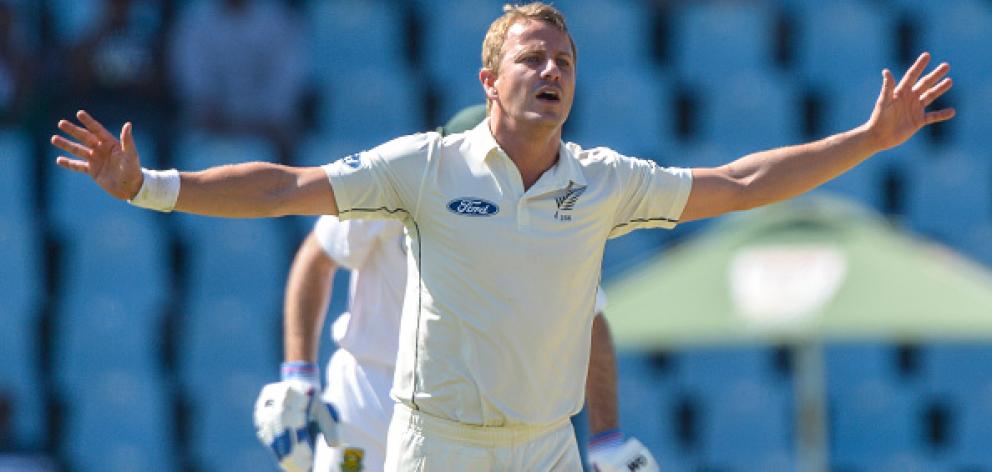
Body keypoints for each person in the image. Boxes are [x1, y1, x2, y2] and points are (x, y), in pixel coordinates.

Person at [50, 2, 954, 470]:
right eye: (532, 58)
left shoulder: (603, 182)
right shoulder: (425, 166)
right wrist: (153, 186)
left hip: (543, 445)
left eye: (564, 61)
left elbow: (743, 182)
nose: (552, 71)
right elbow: (288, 189)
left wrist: (867, 140)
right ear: (491, 77)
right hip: (434, 442)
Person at [253, 106, 656, 472]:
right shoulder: (407, 179)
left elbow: (588, 316)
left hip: (461, 420)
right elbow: (317, 256)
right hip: (368, 401)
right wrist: (298, 374)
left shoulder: (528, 220)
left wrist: (606, 438)